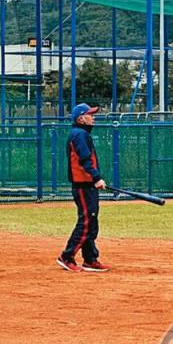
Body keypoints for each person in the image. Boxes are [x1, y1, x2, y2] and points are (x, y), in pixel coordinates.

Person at [56, 103, 110, 273]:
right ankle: (67, 256)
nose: (93, 117)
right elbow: (84, 159)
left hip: (87, 185)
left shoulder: (82, 133)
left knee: (91, 222)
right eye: (90, 115)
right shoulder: (79, 134)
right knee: (86, 221)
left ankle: (90, 259)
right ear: (81, 118)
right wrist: (96, 178)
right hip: (83, 185)